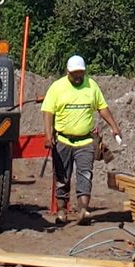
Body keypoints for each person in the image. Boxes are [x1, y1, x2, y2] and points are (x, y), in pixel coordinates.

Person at [41, 55, 119, 223]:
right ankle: (62, 211)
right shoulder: (57, 87)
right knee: (63, 177)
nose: (78, 77)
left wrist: (114, 126)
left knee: (85, 175)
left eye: (80, 73)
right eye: (74, 73)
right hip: (63, 140)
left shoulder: (91, 86)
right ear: (67, 72)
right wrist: (49, 136)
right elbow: (48, 112)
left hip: (85, 141)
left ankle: (83, 210)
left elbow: (102, 108)